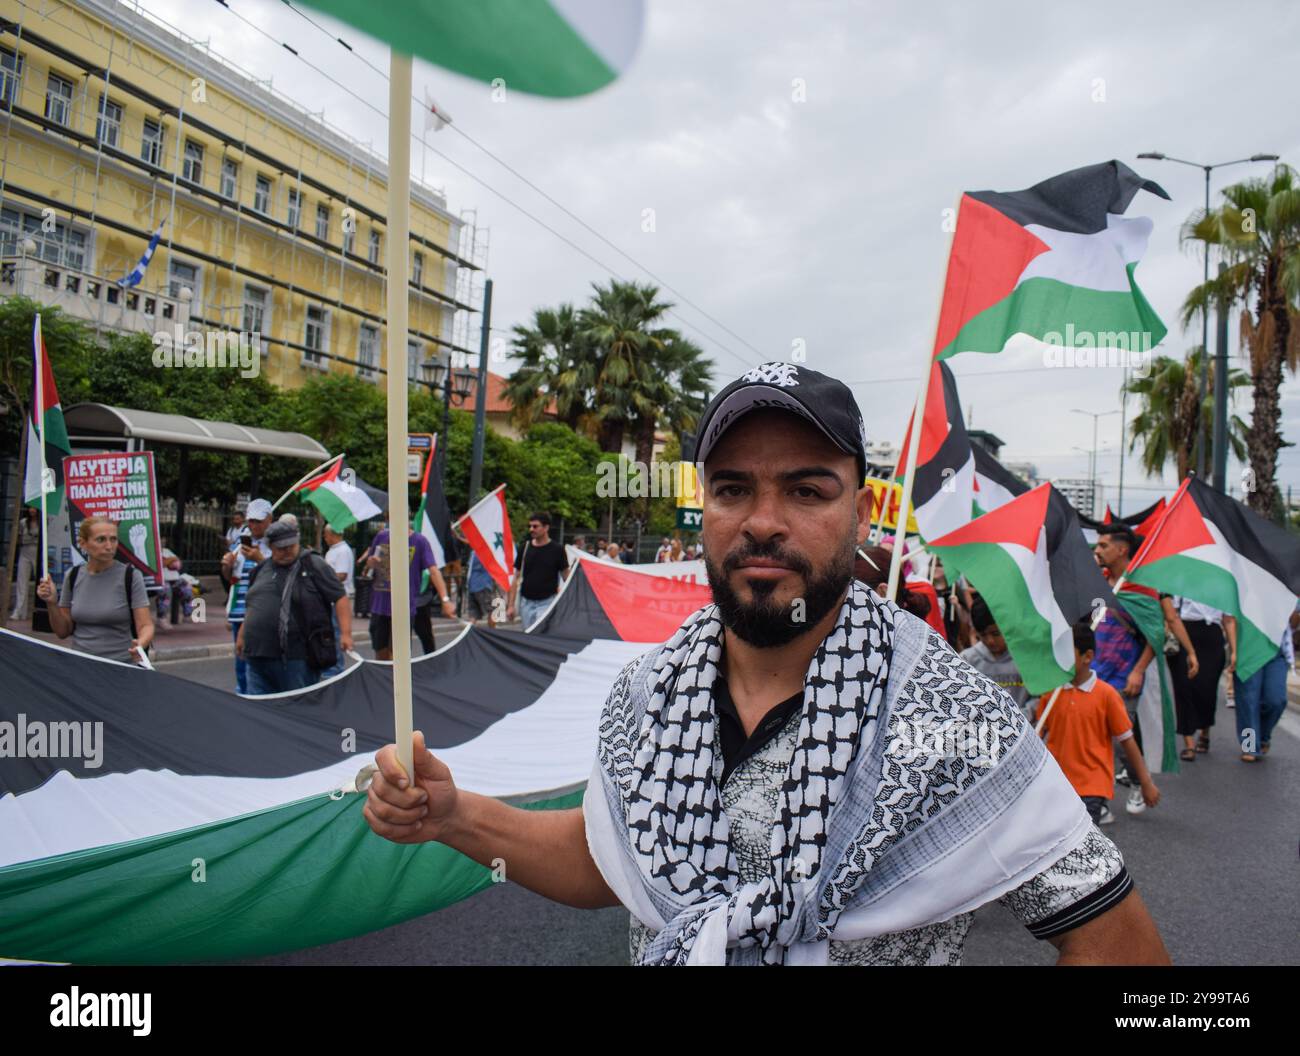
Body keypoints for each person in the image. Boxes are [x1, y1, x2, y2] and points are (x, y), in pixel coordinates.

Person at [365, 363, 1167, 966]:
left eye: (808, 491)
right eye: (732, 488)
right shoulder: (645, 696)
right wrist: (455, 817)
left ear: (860, 507)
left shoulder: (952, 716)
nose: (763, 523)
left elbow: (1119, 946)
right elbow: (611, 860)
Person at [1092, 526, 1197, 814]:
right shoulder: (1099, 582)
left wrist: (1138, 671)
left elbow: (1156, 634)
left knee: (1118, 739)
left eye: (1103, 546)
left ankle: (1138, 782)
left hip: (1125, 676)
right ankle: (1097, 802)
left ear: (1122, 550)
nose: (1097, 551)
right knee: (1095, 738)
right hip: (1095, 672)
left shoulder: (1142, 588)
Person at [1036, 622, 1160, 826]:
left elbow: (1127, 741)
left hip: (1092, 786)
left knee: (1082, 842)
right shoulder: (1051, 692)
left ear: (1088, 657)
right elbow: (1038, 736)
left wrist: (1145, 782)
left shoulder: (1107, 695)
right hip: (1057, 784)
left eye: (1067, 654)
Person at [235, 520, 352, 694]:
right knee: (259, 713)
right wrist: (242, 635)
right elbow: (253, 605)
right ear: (271, 547)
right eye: (281, 548)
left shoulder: (313, 564)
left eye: (291, 545)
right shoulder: (261, 570)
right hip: (257, 656)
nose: (287, 551)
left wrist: (346, 634)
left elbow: (340, 597)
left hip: (297, 657)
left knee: (296, 710)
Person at [37, 516, 154, 664]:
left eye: (113, 539)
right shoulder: (72, 576)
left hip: (121, 666)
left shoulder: (130, 576)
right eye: (101, 540)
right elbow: (62, 632)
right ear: (83, 543)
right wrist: (52, 603)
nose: (109, 546)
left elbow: (145, 625)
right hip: (81, 666)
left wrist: (140, 643)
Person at [366, 518, 455, 660]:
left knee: (398, 655)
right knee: (380, 652)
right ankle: (385, 681)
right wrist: (371, 563)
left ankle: (398, 681)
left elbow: (434, 571)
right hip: (380, 604)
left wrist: (445, 600)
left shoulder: (419, 541)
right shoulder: (381, 536)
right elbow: (370, 564)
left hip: (404, 607)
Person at [1168, 597, 1236, 762]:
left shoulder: (1221, 583)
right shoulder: (1181, 580)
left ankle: (1205, 730)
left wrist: (1234, 651)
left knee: (1207, 690)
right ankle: (1188, 742)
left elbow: (1228, 620)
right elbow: (1171, 613)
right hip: (1184, 632)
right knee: (1183, 689)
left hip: (1212, 637)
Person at [220, 497, 274, 694]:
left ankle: (258, 697)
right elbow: (231, 579)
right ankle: (243, 694)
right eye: (250, 521)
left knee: (259, 661)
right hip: (239, 611)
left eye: (258, 521)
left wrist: (260, 559)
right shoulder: (240, 544)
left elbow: (277, 577)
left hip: (261, 613)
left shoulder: (275, 544)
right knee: (240, 661)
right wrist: (227, 566)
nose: (253, 525)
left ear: (270, 519)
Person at [962, 595, 1030, 718]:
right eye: (983, 635)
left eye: (996, 633)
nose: (990, 641)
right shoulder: (968, 660)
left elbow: (1040, 696)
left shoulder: (1027, 658)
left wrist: (1026, 714)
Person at [1233, 625, 1291, 761]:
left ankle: (1262, 737)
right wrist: (1234, 650)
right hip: (1248, 648)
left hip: (1276, 650)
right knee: (1248, 701)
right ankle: (1250, 746)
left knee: (1276, 700)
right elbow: (1229, 618)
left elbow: (1293, 624)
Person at [508, 512, 569, 630]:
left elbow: (566, 576)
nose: (531, 529)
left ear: (546, 527)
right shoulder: (525, 547)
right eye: (530, 526)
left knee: (540, 634)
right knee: (529, 636)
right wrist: (510, 605)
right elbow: (516, 577)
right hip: (526, 603)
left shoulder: (557, 550)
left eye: (535, 526)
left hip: (547, 602)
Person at [319, 523, 355, 677]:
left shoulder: (342, 551)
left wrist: (322, 576)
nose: (324, 538)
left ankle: (336, 669)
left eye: (325, 535)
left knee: (335, 634)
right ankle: (331, 667)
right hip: (330, 599)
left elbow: (342, 575)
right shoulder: (333, 550)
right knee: (330, 633)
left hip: (338, 599)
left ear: (332, 534)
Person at [8, 506, 40, 620]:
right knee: (21, 582)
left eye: (34, 509)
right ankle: (19, 611)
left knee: (40, 581)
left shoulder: (42, 522)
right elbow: (19, 538)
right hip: (25, 551)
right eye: (30, 508)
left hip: (37, 551)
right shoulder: (23, 522)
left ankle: (40, 610)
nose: (32, 510)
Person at [157, 536, 194, 622]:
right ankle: (162, 618)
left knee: (187, 589)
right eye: (161, 540)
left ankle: (187, 615)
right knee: (165, 592)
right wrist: (171, 560)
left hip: (175, 578)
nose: (163, 541)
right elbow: (161, 563)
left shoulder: (167, 551)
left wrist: (170, 561)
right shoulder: (153, 552)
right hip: (162, 580)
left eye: (163, 540)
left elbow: (178, 563)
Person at [464, 549, 498, 627]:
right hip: (484, 585)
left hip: (472, 585)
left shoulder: (473, 552)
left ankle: (470, 633)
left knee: (473, 613)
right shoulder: (487, 551)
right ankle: (492, 632)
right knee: (492, 611)